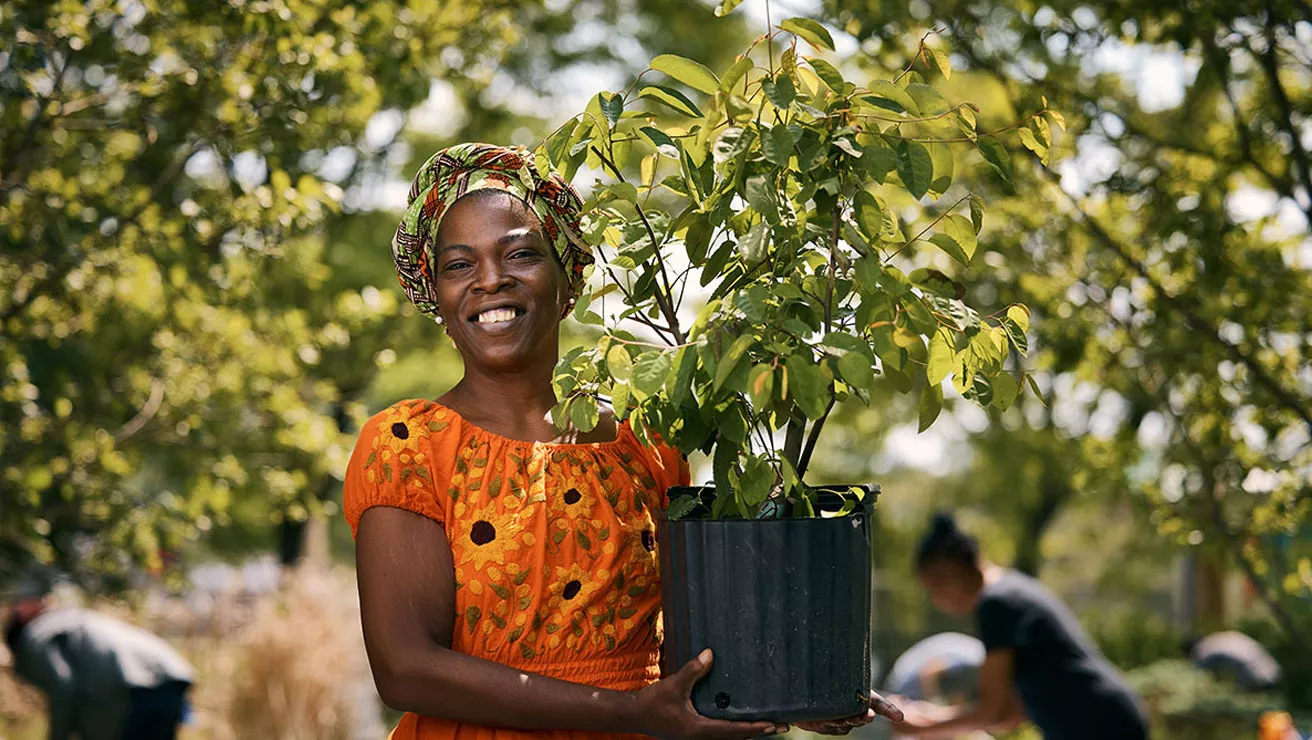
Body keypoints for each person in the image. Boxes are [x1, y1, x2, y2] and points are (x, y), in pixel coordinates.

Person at [345, 143, 903, 740]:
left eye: (521, 254)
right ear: (436, 294)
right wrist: (627, 713)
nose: (490, 280)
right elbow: (405, 671)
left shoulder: (646, 442)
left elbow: (684, 648)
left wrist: (790, 686)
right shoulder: (407, 444)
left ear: (568, 281)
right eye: (460, 265)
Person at [890, 514, 1148, 740]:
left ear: (956, 570)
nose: (936, 600)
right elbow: (1011, 714)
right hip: (1105, 717)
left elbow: (993, 711)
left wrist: (918, 726)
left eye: (937, 587)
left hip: (1096, 725)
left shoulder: (997, 602)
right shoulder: (1010, 590)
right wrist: (933, 717)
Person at [3, 580, 195, 740]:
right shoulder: (68, 619)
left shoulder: (35, 635)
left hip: (133, 689)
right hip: (171, 676)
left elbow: (64, 690)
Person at [884, 632, 984, 706]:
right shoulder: (977, 662)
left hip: (909, 687)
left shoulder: (982, 657)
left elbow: (960, 692)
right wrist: (935, 705)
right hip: (904, 689)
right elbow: (931, 670)